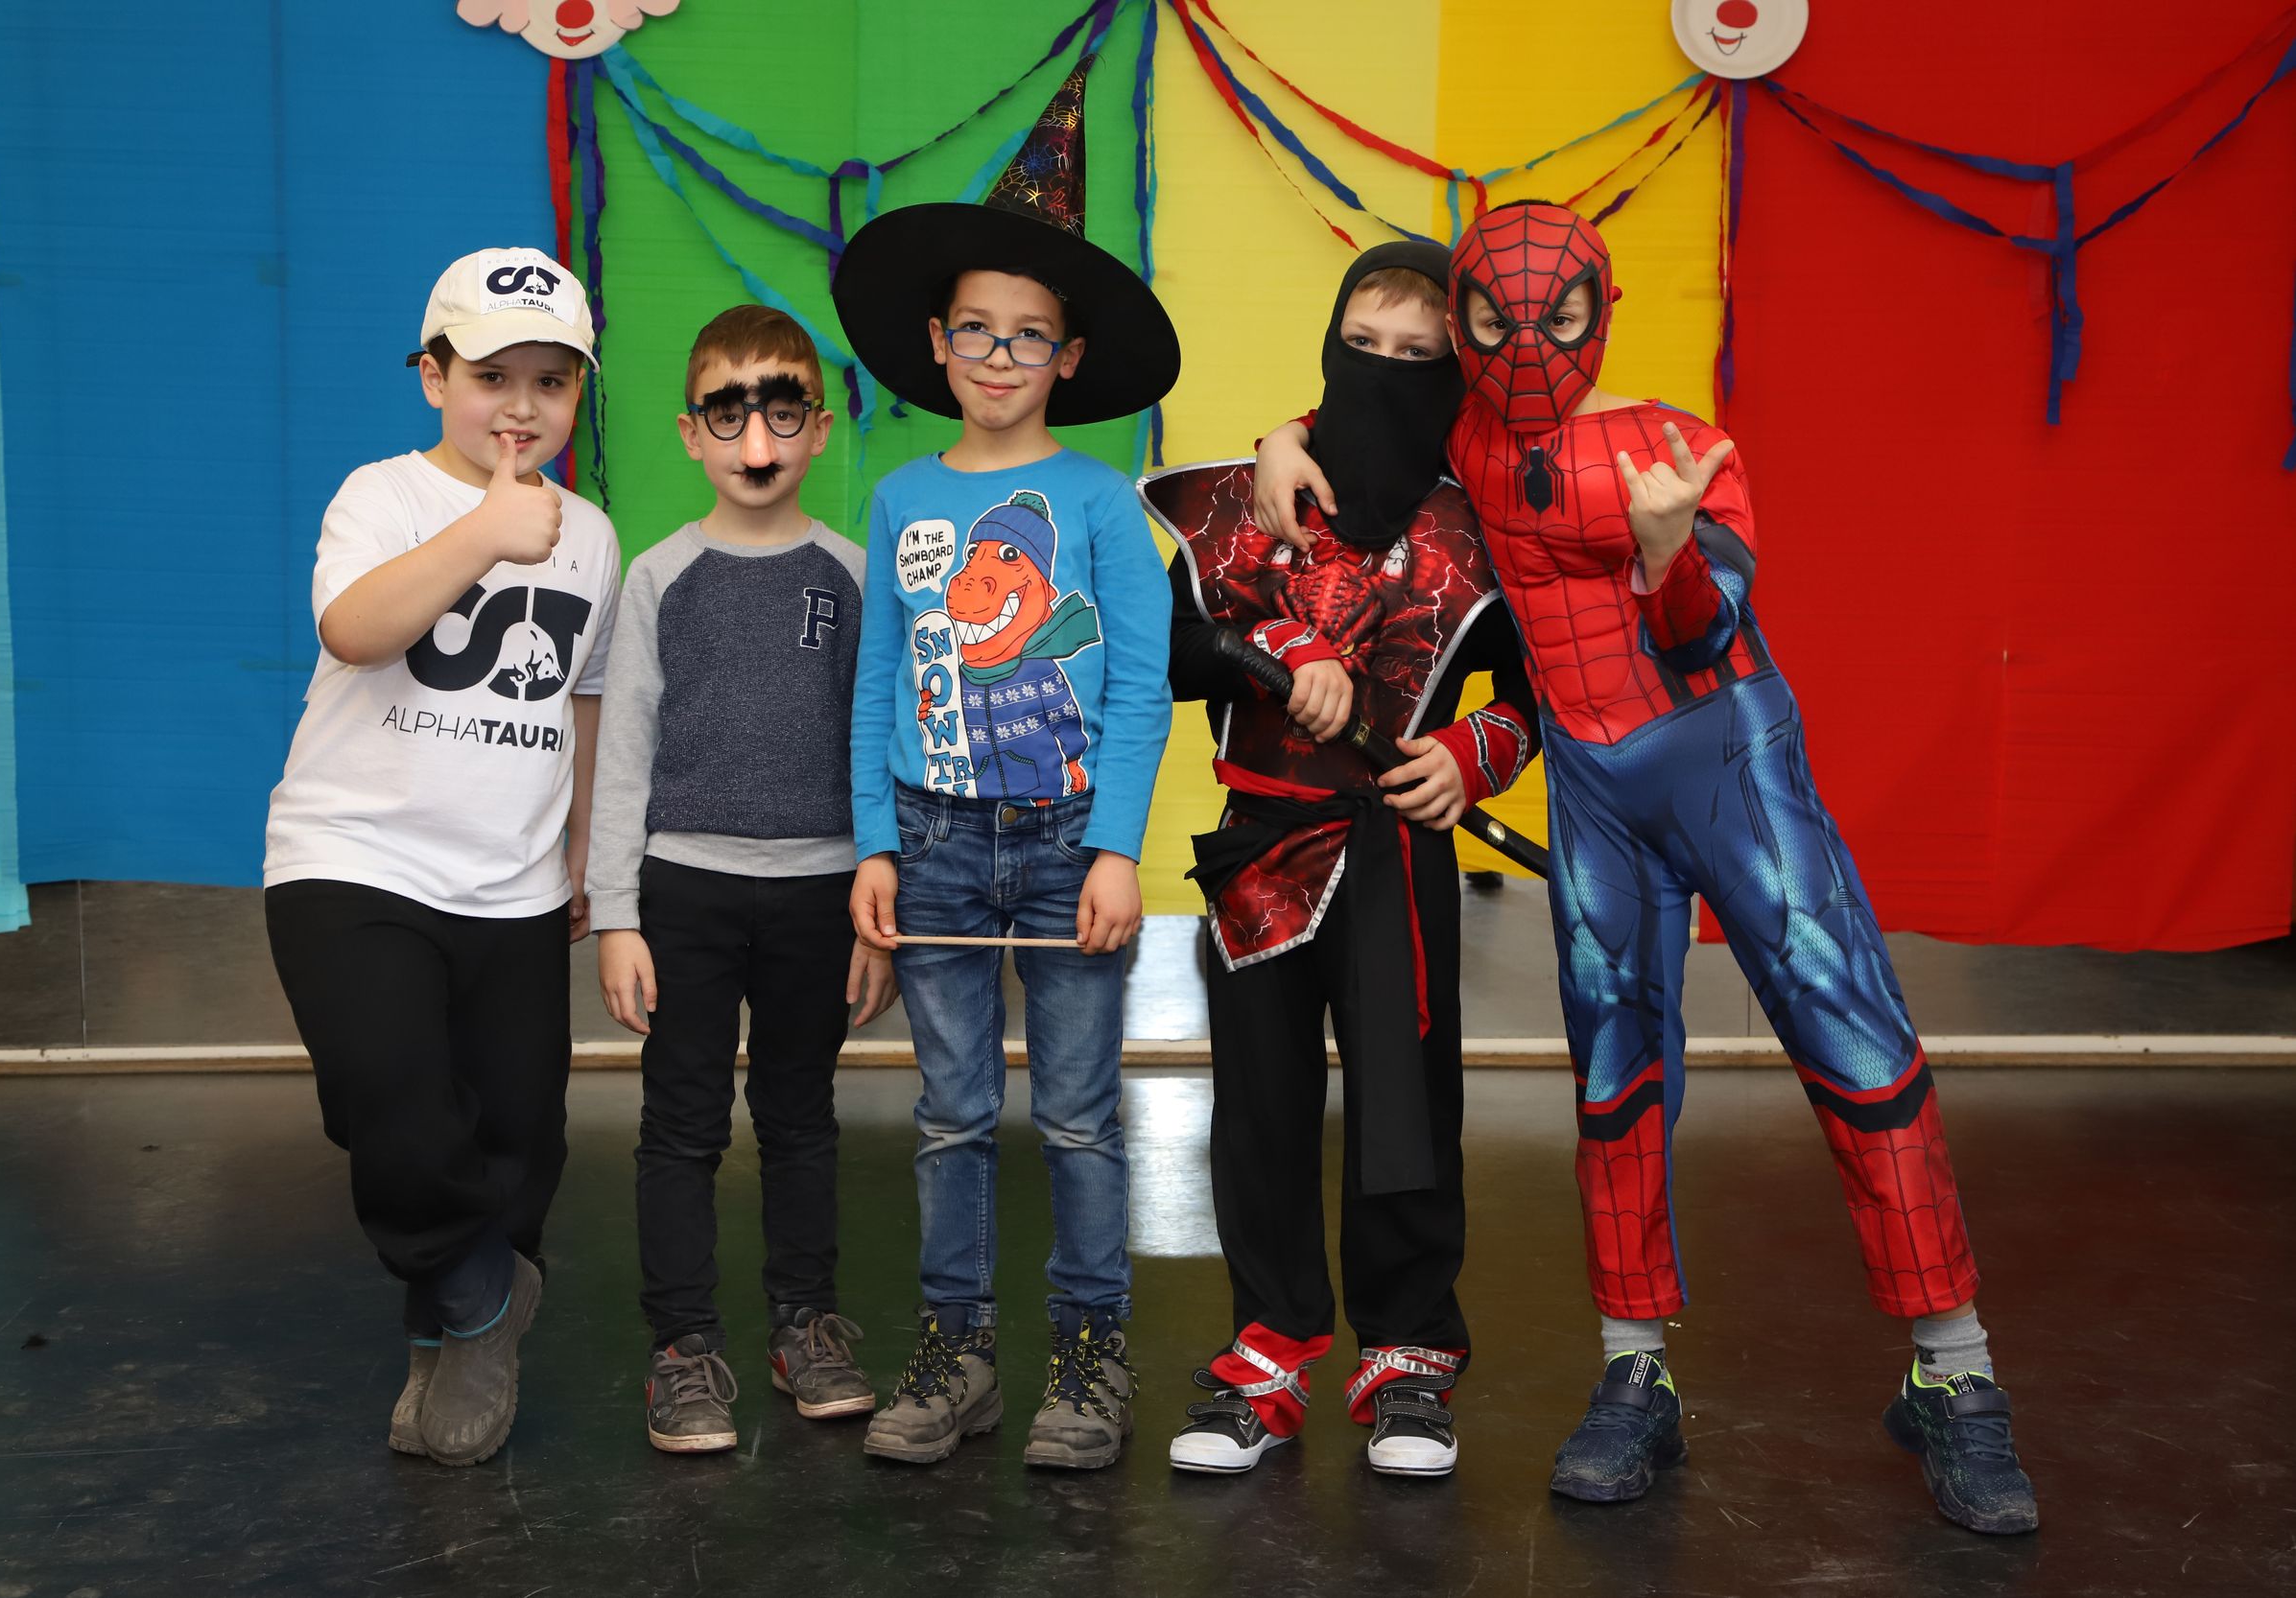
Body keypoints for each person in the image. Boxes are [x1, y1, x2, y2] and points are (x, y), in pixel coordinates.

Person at [1253, 202, 2038, 1535]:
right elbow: (1365, 421)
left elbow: (1706, 626)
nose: (1524, 346)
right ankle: (1634, 1372)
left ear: (1598, 313)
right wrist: (1285, 439)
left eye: (1553, 318)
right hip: (1594, 789)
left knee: (1856, 1042)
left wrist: (1666, 545)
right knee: (1614, 1074)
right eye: (1493, 322)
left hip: (1728, 759)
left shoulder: (1677, 446)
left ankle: (1954, 1370)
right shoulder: (1464, 437)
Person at [830, 60, 1178, 1471]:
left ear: (1067, 359)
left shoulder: (1099, 502)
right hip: (931, 838)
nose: (996, 354)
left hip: (1063, 838)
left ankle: (1090, 1353)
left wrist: (1115, 847)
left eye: (1027, 336)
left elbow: (1141, 685)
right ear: (936, 341)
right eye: (973, 329)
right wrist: (874, 840)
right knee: (951, 1114)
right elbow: (876, 681)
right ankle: (957, 1348)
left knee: (1080, 1117)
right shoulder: (900, 497)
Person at [1144, 242, 1538, 1479]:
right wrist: (1275, 647)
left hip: (1397, 851)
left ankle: (1410, 1362)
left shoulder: (1480, 523)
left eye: (1419, 355)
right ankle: (1264, 1356)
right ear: (1328, 342)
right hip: (1259, 851)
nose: (1386, 370)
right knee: (1258, 1110)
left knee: (1409, 1109)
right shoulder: (1246, 496)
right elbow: (1172, 649)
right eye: (1363, 346)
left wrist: (1470, 754)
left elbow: (1536, 684)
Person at [263, 247, 619, 1468]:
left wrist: (580, 849)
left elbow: (581, 698)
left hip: (511, 883)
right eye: (490, 376)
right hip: (352, 858)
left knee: (519, 1137)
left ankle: (448, 1339)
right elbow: (354, 628)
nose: (521, 407)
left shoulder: (592, 537)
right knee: (394, 1100)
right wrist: (485, 533)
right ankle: (482, 1296)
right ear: (432, 377)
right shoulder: (382, 496)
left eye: (550, 382)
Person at [587, 304, 897, 1455]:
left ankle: (805, 1325)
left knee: (801, 1115)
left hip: (822, 891)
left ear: (820, 426)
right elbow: (625, 750)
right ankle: (681, 1347)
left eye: (781, 409)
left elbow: (879, 749)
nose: (756, 439)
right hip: (685, 890)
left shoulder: (854, 577)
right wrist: (616, 913)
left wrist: (881, 909)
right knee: (680, 1124)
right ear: (690, 432)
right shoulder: (658, 577)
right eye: (728, 412)